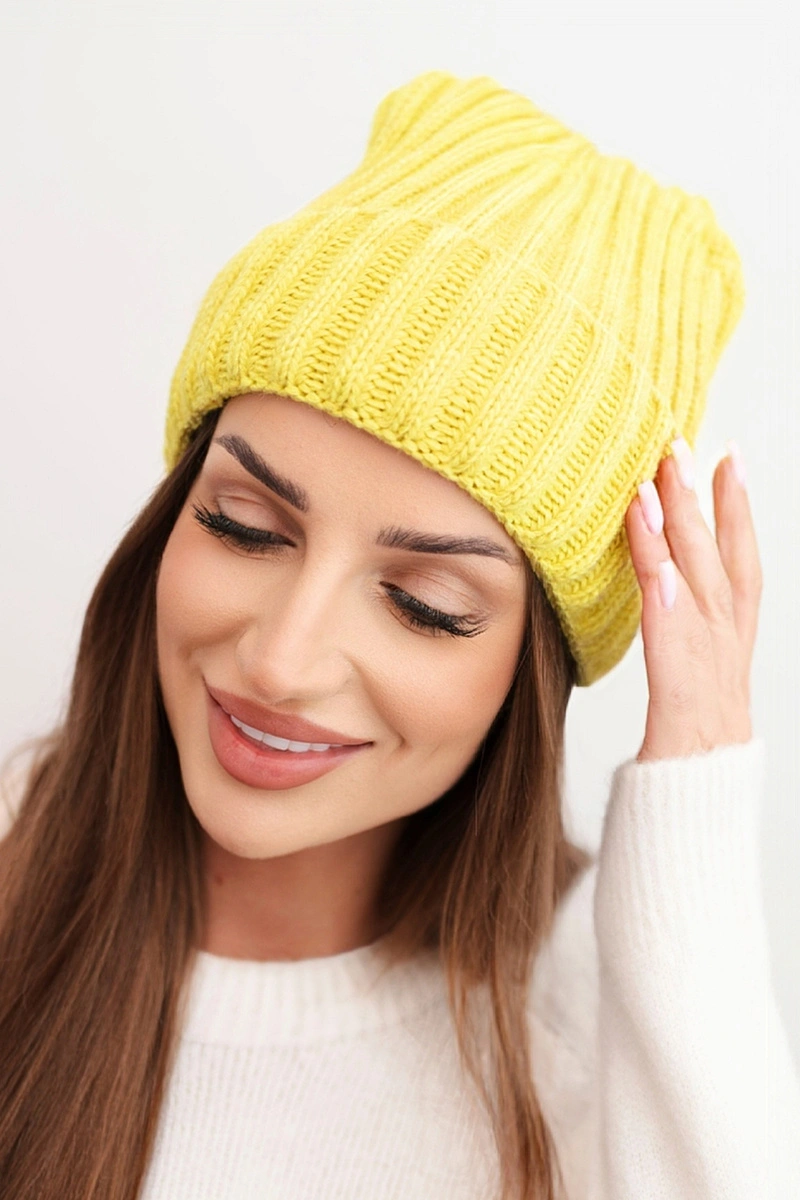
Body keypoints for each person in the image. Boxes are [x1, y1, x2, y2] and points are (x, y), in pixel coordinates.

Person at [0, 68, 798, 1200]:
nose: (280, 661)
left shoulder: (574, 1058)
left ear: (528, 675)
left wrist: (697, 795)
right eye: (243, 527)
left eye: (424, 604)